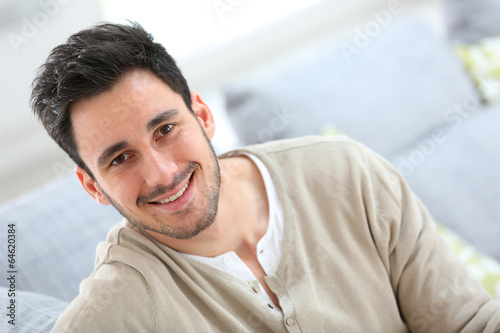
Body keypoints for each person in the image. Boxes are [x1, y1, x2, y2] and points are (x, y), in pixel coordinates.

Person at [31, 22, 500, 332]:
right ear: (92, 185)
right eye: (120, 159)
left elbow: (467, 322)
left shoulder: (347, 173)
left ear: (203, 115)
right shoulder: (117, 312)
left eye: (166, 129)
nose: (163, 173)